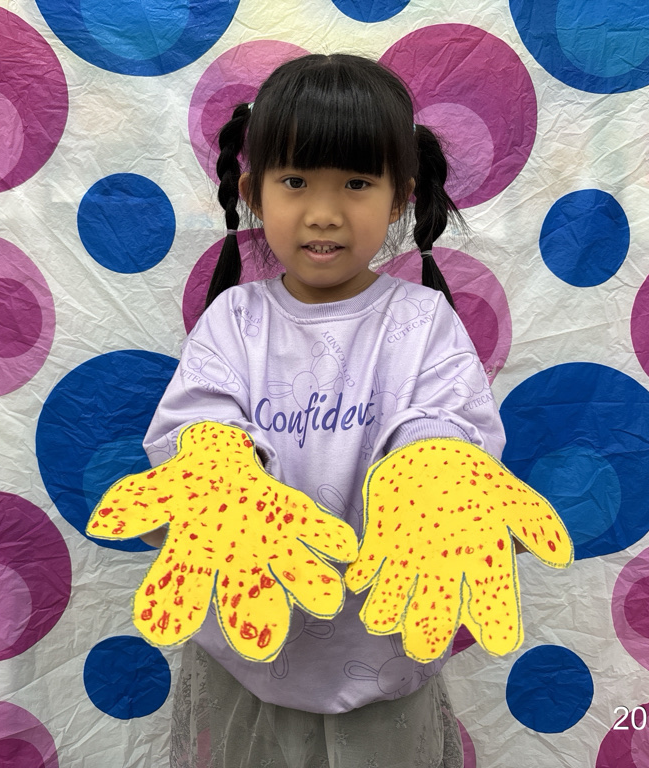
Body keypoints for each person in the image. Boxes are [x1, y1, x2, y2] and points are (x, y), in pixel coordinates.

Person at [142, 53, 504, 768]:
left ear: (400, 198)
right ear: (253, 190)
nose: (324, 213)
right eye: (296, 181)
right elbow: (195, 425)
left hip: (383, 653)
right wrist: (216, 461)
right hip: (247, 653)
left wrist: (434, 464)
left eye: (357, 184)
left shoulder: (423, 320)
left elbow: (449, 421)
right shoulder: (234, 320)